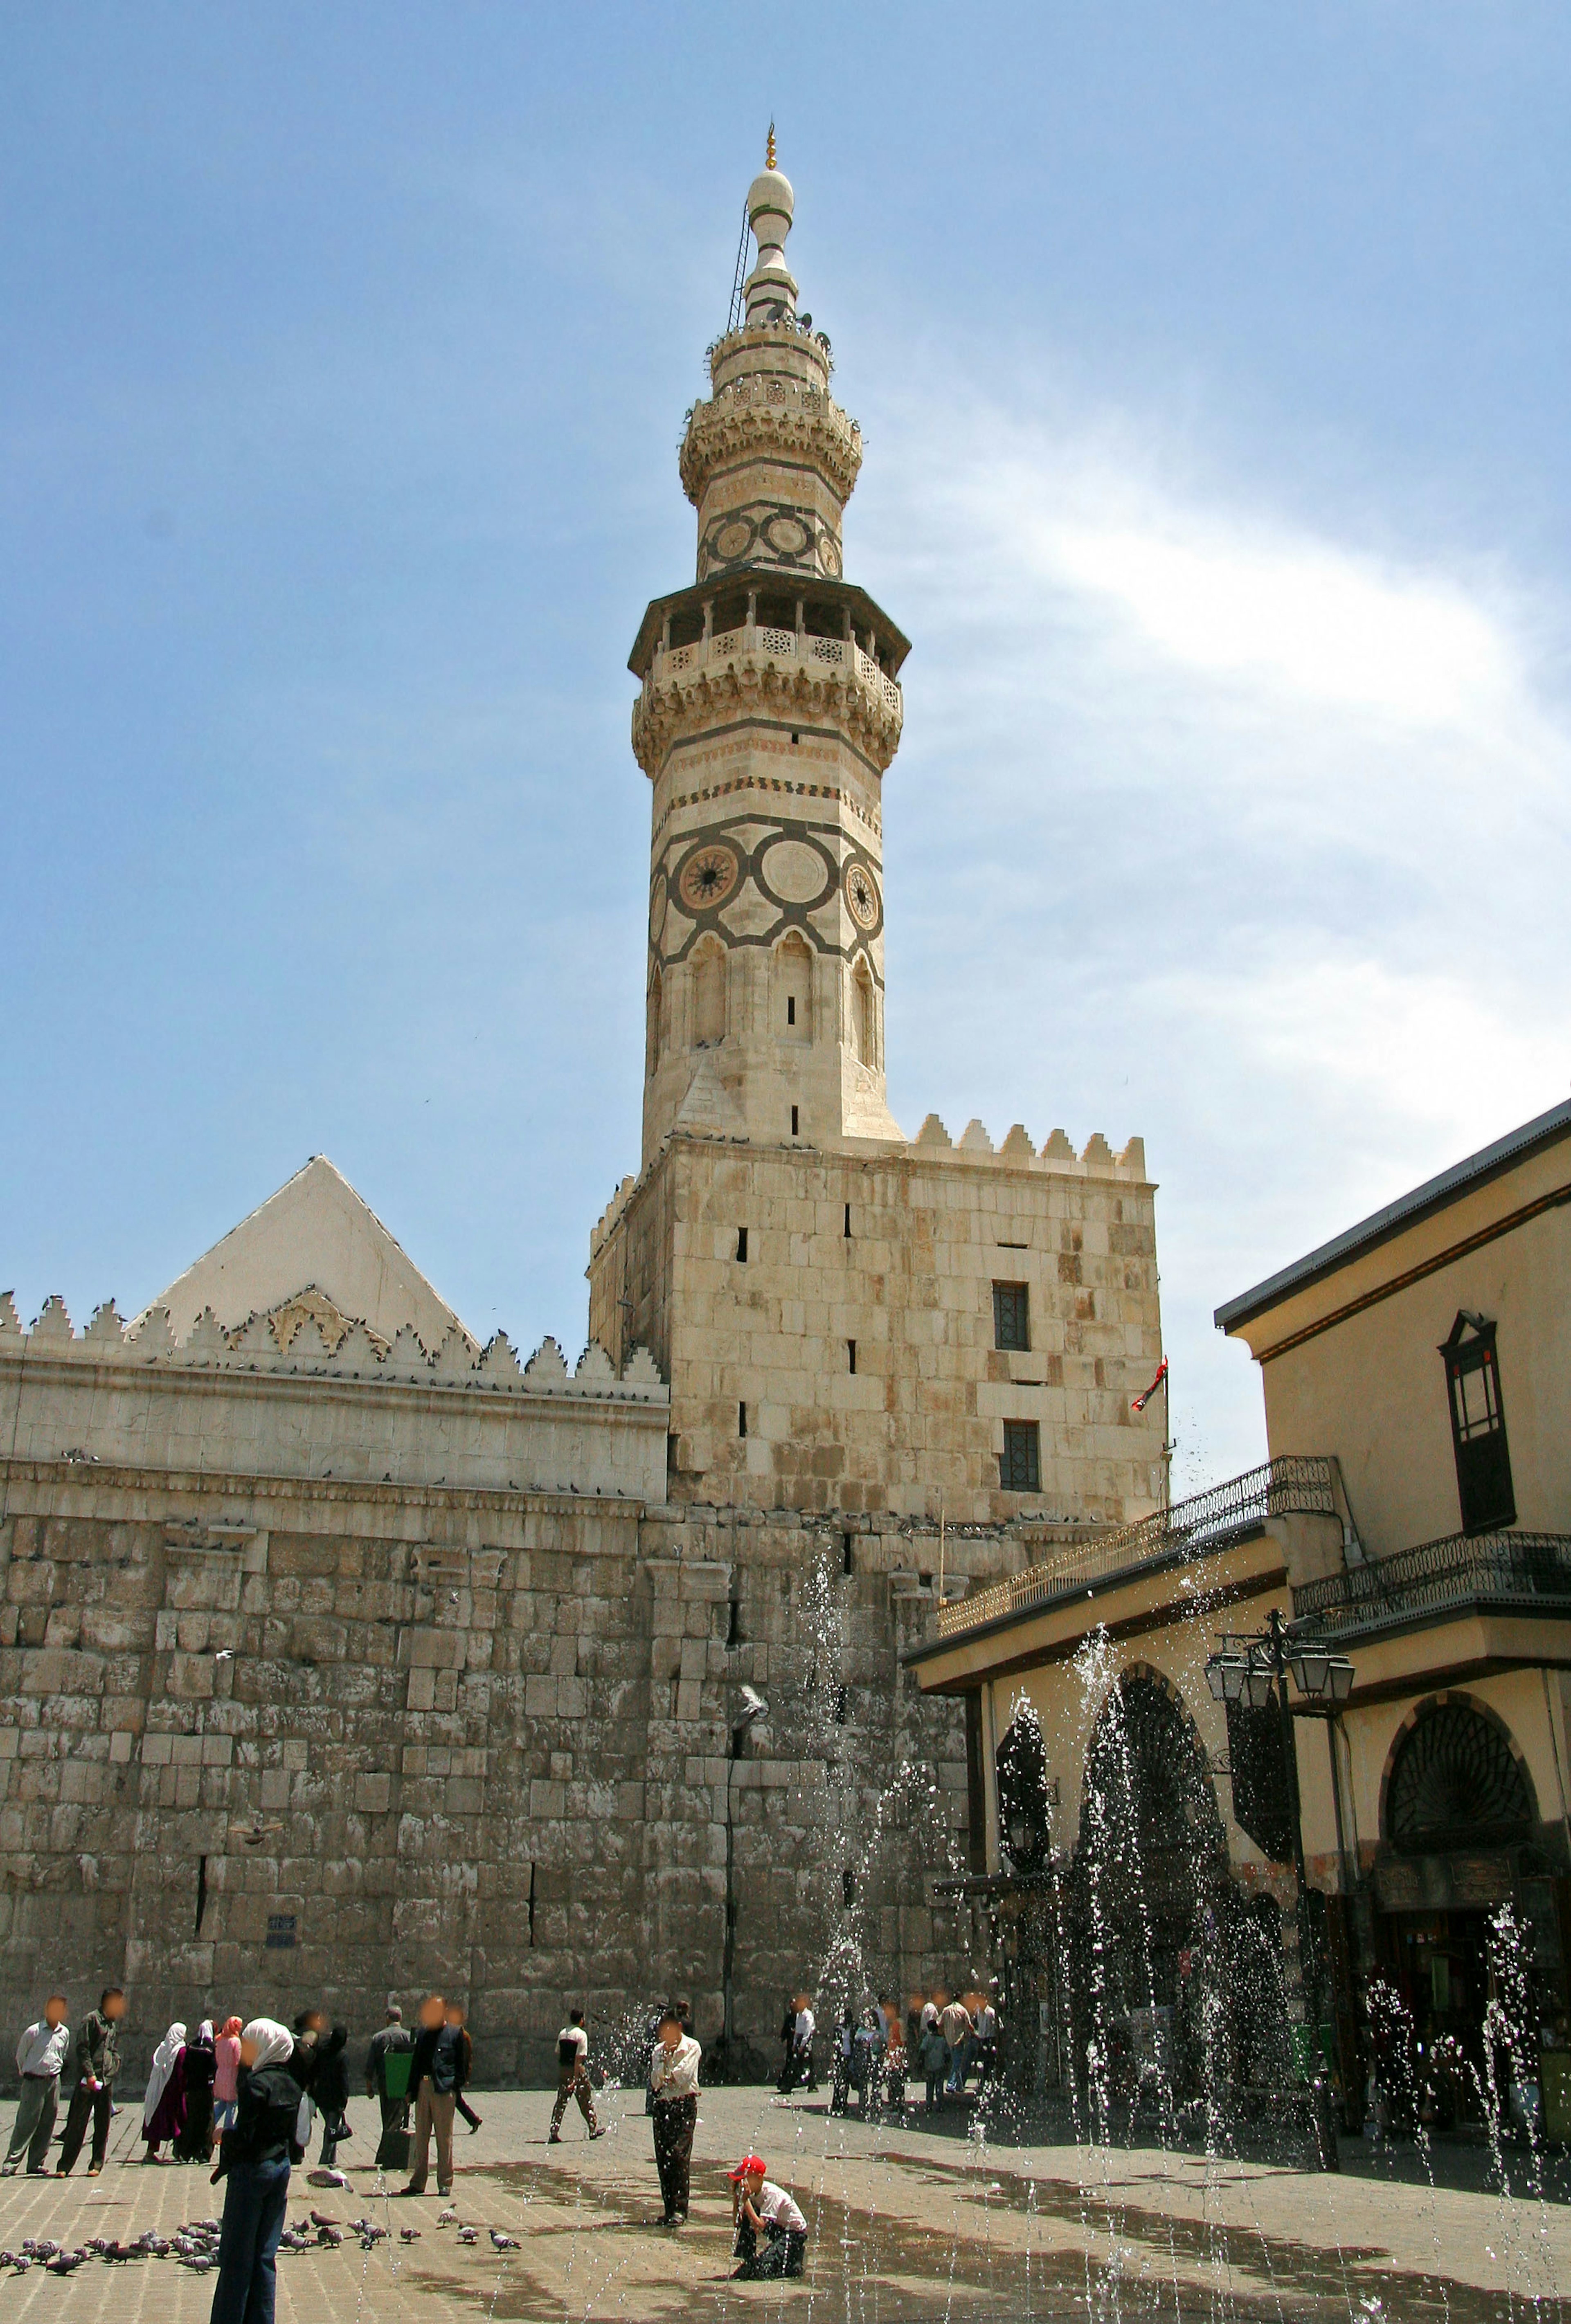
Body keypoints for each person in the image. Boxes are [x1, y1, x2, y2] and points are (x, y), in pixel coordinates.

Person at [208, 2017, 304, 2324]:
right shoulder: (291, 2084)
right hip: (281, 2168)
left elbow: (247, 2138)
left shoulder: (256, 2085)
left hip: (253, 2173)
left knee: (237, 2257)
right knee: (265, 2257)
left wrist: (224, 2136)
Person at [57, 1987, 126, 2177]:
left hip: (106, 2080)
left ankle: (96, 2164)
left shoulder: (112, 2024)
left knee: (103, 2125)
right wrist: (89, 2074)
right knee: (77, 2125)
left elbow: (113, 2049)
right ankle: (64, 2166)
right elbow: (83, 2048)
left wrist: (114, 2066)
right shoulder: (92, 2020)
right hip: (89, 2081)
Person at [399, 1994, 463, 2198]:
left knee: (444, 2139)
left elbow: (463, 2063)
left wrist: (454, 2085)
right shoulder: (424, 2033)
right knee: (421, 2138)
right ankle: (418, 2182)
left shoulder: (455, 2033)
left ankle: (445, 2183)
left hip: (443, 2090)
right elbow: (416, 2063)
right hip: (424, 2087)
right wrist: (410, 2091)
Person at [3, 1996, 70, 2176]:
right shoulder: (34, 2031)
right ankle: (12, 2161)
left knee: (47, 2123)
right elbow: (21, 2056)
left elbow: (62, 2055)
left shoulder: (64, 2033)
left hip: (53, 2081)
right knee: (26, 2123)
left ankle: (36, 2162)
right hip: (34, 2081)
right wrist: (28, 2073)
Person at [648, 2005, 700, 2227]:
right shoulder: (658, 2051)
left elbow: (684, 2075)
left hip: (684, 2104)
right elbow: (655, 2080)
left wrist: (667, 2074)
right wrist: (667, 2073)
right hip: (663, 2106)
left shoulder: (692, 2047)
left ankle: (680, 2209)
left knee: (679, 2154)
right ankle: (668, 2208)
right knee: (664, 2157)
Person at [729, 2152, 808, 2280]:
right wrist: (736, 2198)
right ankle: (749, 2258)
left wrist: (746, 2201)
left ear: (759, 2178)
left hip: (793, 2234)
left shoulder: (771, 2194)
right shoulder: (753, 2195)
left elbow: (761, 2226)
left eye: (746, 2179)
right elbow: (738, 2223)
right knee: (747, 2271)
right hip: (778, 2229)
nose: (743, 2183)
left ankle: (795, 2259)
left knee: (763, 2270)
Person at [549, 2009, 604, 2143]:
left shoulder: (563, 2033)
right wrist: (575, 2078)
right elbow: (579, 2059)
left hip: (564, 2069)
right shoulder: (581, 2035)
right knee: (585, 2100)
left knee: (561, 2102)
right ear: (581, 2020)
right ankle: (592, 2129)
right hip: (577, 2071)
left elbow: (558, 2052)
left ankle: (554, 2131)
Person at [142, 2020, 188, 2161]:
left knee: (156, 2119)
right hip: (172, 2092)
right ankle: (180, 2150)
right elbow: (181, 2073)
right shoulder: (180, 2051)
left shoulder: (162, 2048)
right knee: (180, 2119)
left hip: (157, 2090)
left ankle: (151, 2151)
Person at [366, 2006, 414, 2134]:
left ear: (387, 2018)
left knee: (387, 2116)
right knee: (400, 2115)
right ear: (401, 2018)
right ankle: (397, 2138)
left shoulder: (379, 2037)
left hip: (385, 2082)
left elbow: (371, 2065)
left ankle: (388, 2140)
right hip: (404, 2084)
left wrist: (369, 2087)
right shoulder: (409, 2037)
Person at [177, 2021, 218, 2161]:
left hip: (192, 2089)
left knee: (192, 2119)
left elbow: (186, 2066)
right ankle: (204, 2153)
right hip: (205, 2089)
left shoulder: (192, 2045)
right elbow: (213, 2068)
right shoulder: (211, 2047)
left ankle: (186, 2151)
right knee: (207, 2121)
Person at [312, 2022, 351, 2168]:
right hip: (335, 2100)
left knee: (331, 2127)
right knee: (331, 2129)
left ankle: (331, 2160)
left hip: (321, 2097)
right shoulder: (342, 2056)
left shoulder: (323, 2051)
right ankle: (324, 2161)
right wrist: (344, 2099)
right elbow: (344, 2080)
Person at [446, 2001, 481, 2136]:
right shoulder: (457, 2034)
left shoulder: (461, 2036)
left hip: (455, 2074)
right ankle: (474, 2120)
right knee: (457, 2101)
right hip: (454, 2073)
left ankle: (474, 2120)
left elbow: (465, 2058)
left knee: (454, 2100)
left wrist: (465, 2076)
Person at [213, 2018, 243, 2135]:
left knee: (222, 2103)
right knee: (232, 2104)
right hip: (232, 2075)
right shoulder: (235, 2042)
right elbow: (238, 2060)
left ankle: (211, 2124)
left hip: (221, 2074)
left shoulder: (220, 2040)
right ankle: (228, 2131)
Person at [940, 1996, 974, 2096]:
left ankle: (959, 2086)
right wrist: (976, 2033)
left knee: (956, 2062)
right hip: (960, 2040)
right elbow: (969, 2025)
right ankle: (951, 2085)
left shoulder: (946, 2010)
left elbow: (940, 2024)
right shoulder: (963, 2010)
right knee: (957, 2063)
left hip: (949, 2040)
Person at [919, 2015, 949, 2113]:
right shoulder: (942, 2040)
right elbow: (947, 2054)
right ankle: (940, 2105)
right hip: (940, 2065)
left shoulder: (927, 2039)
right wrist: (947, 2064)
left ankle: (929, 2105)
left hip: (929, 2066)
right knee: (939, 2086)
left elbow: (922, 2051)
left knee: (930, 2086)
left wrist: (921, 2063)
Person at [829, 2005, 854, 2116]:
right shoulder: (838, 2028)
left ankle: (844, 2102)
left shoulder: (854, 2028)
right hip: (841, 2057)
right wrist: (833, 2059)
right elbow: (835, 2045)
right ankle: (836, 2103)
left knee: (846, 2081)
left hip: (850, 2056)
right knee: (838, 2081)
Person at [972, 1995, 999, 2090]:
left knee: (989, 2062)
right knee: (981, 2061)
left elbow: (999, 2026)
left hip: (990, 2039)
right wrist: (977, 2033)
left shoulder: (991, 2013)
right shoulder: (979, 2012)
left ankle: (988, 2081)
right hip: (982, 2039)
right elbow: (976, 2024)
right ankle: (983, 2081)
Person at [792, 1998, 817, 2093]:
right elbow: (797, 2031)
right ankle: (802, 2080)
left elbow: (808, 2031)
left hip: (806, 2040)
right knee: (800, 2061)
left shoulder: (808, 2015)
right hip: (800, 2038)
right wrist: (795, 2043)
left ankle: (812, 2084)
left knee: (808, 2061)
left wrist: (803, 2044)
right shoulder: (799, 2015)